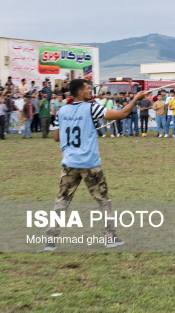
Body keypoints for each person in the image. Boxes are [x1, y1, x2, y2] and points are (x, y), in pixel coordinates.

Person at [44, 79, 147, 251]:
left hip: (69, 163)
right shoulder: (92, 108)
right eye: (87, 88)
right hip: (89, 164)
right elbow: (122, 114)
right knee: (103, 201)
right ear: (80, 92)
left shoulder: (62, 111)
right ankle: (110, 237)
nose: (90, 90)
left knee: (62, 201)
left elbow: (56, 137)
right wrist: (136, 99)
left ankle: (51, 240)